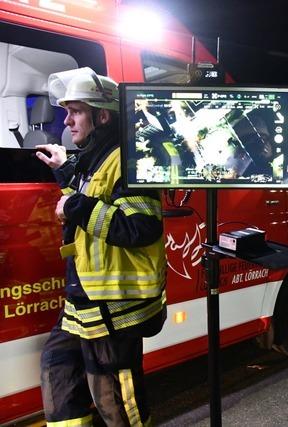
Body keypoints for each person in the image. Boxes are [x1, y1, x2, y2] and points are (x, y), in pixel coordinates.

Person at [35, 67, 167, 426]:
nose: (68, 120)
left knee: (115, 400)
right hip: (84, 303)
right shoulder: (93, 159)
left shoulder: (132, 160)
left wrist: (76, 206)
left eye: (75, 111)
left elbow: (141, 227)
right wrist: (65, 173)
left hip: (113, 308)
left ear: (102, 115)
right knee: (58, 372)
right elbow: (88, 199)